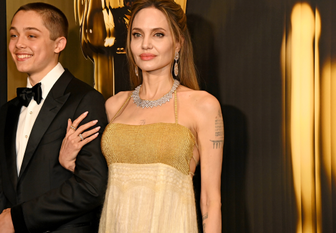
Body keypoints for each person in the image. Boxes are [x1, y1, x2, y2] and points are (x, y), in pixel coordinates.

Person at [59, 0, 223, 232]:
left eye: (158, 35)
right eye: (137, 35)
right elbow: (108, 183)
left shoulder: (203, 105)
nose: (145, 44)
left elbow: (210, 200)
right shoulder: (114, 105)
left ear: (178, 44)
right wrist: (72, 163)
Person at [0, 2, 108, 233]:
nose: (19, 43)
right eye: (13, 35)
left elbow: (91, 187)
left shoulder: (85, 99)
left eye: (31, 35)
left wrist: (19, 219)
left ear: (59, 44)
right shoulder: (7, 111)